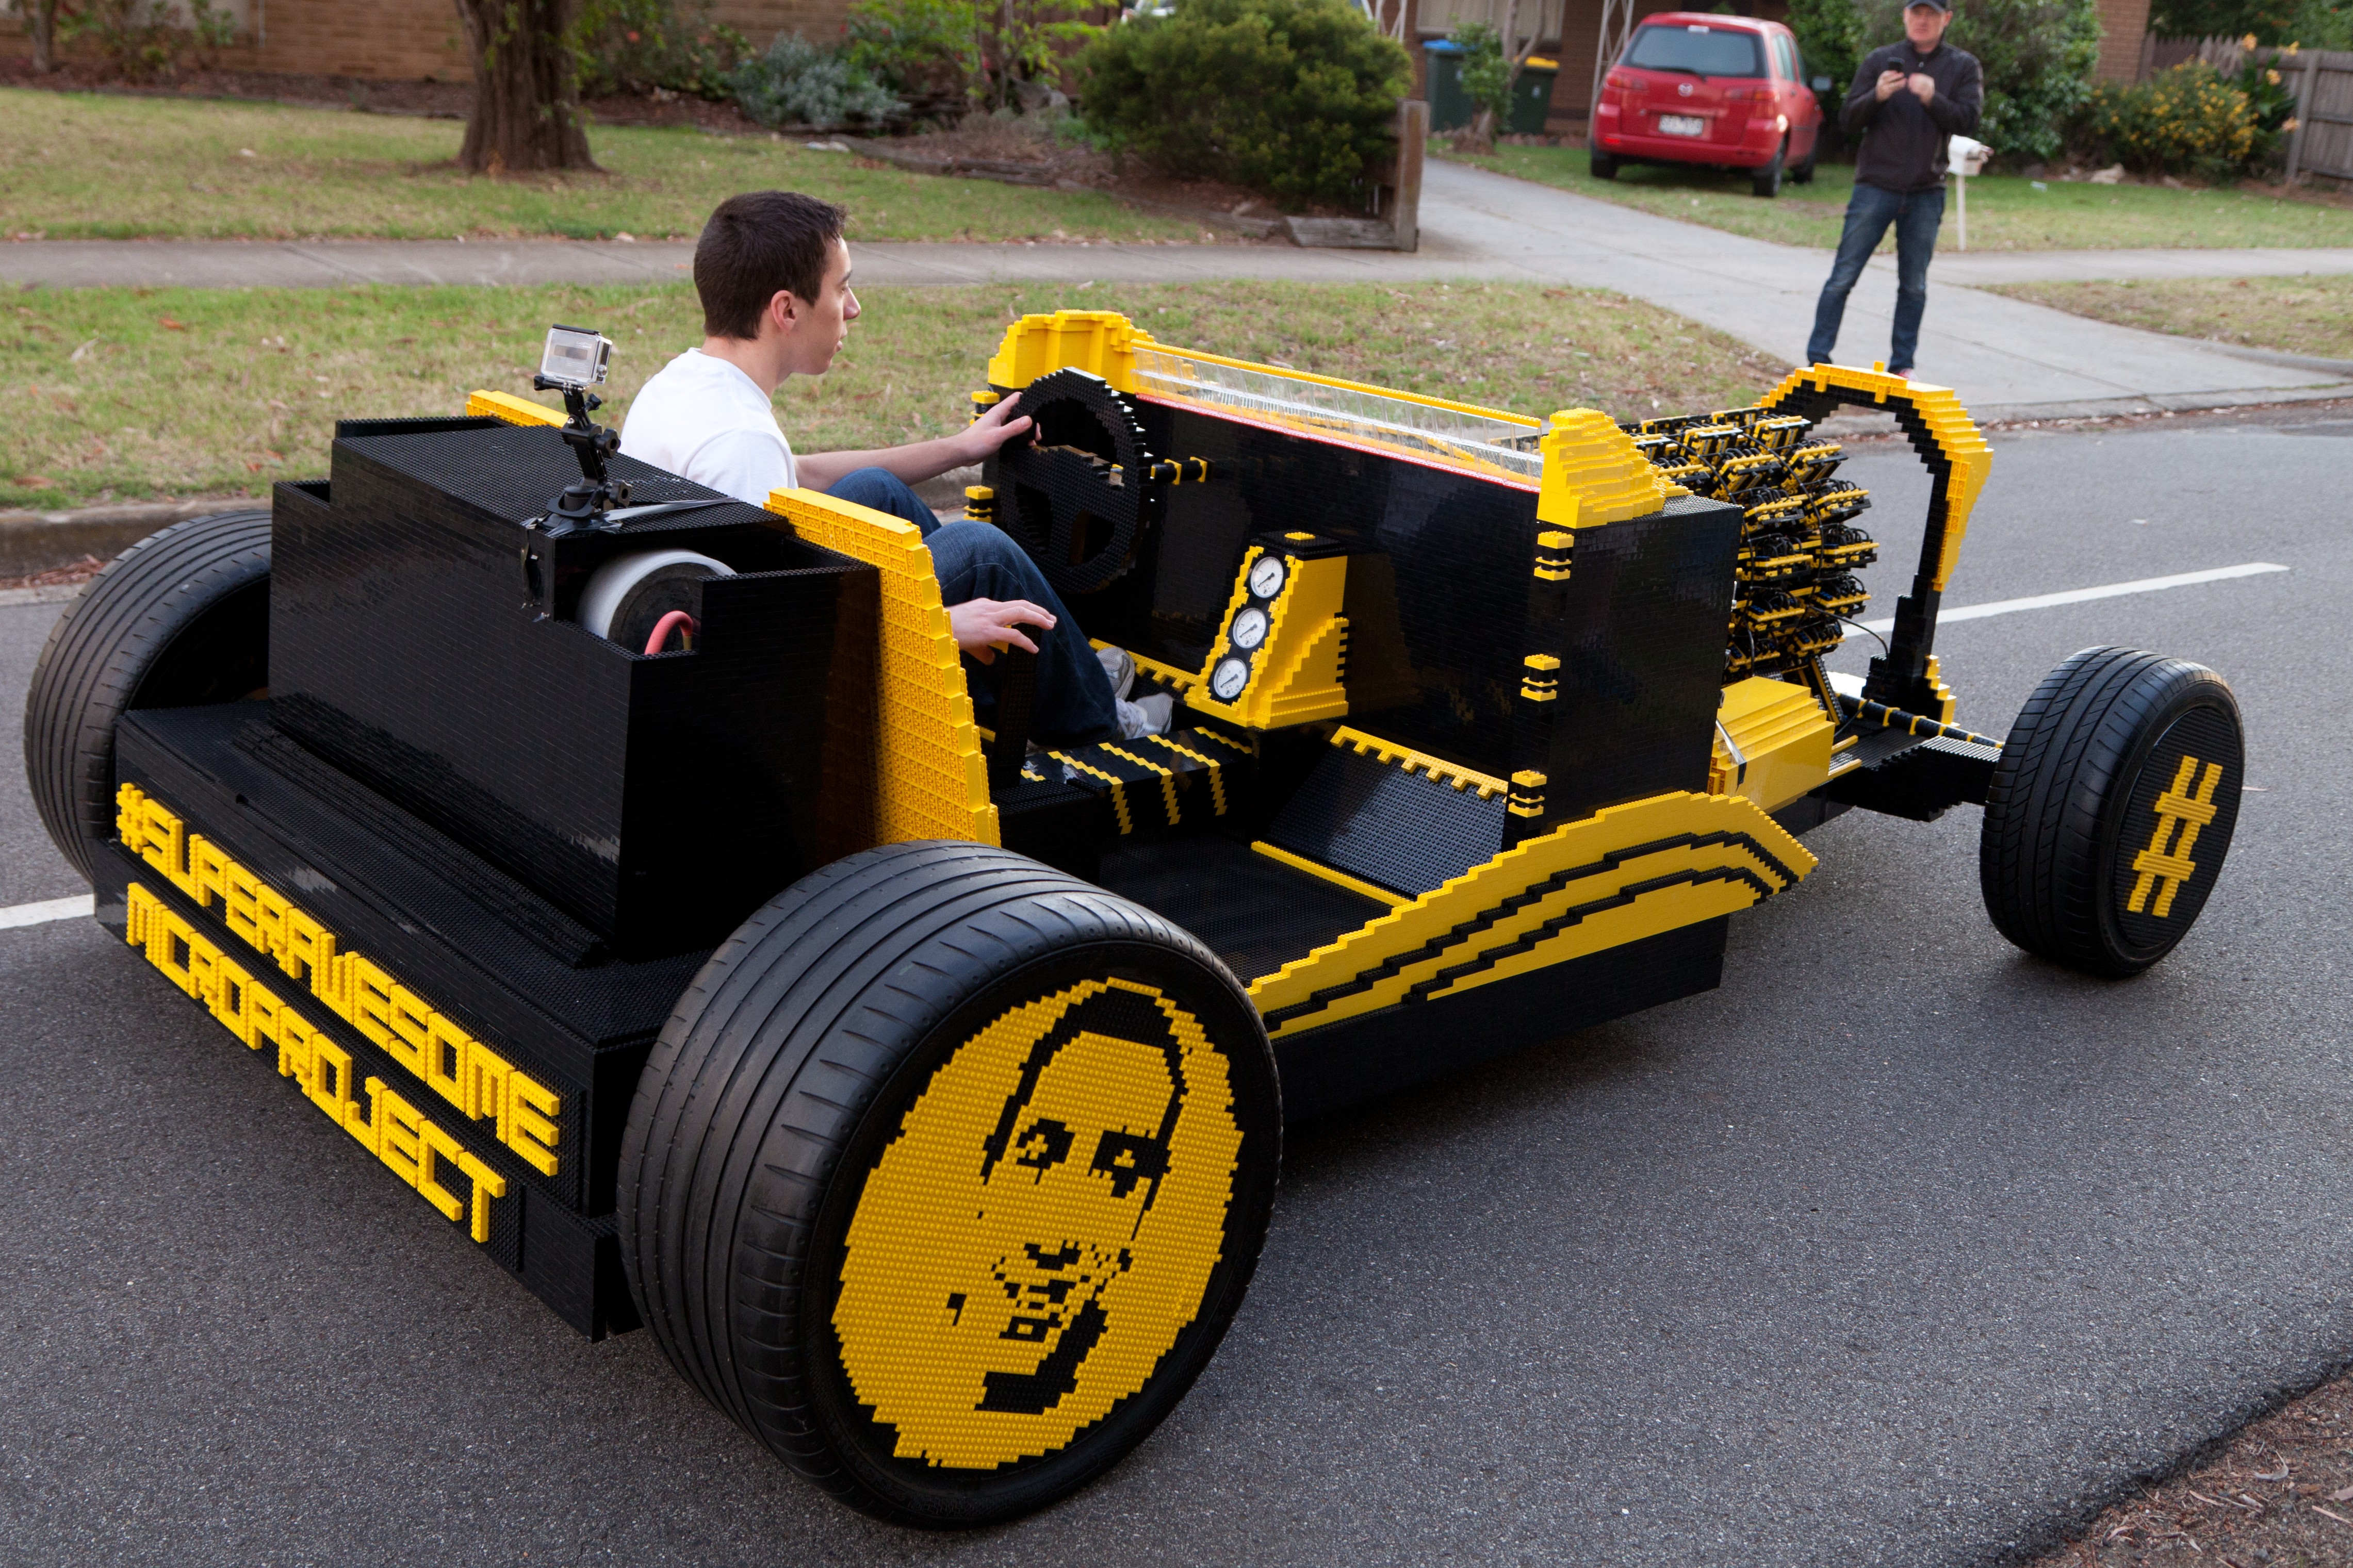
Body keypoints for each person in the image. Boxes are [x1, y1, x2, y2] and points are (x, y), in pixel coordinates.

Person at [618, 190, 1170, 745]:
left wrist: (960, 447)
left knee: (876, 490)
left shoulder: (682, 384)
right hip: (771, 681)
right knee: (985, 554)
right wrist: (938, 626)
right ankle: (1102, 723)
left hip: (742, 614)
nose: (853, 308)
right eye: (842, 288)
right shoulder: (741, 444)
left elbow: (800, 472)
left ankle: (1057, 678)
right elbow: (766, 644)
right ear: (786, 310)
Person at [1803, 0, 1982, 381]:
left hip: (1926, 191)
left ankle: (1903, 364)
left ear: (1946, 19)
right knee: (1843, 276)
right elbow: (1847, 120)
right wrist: (1877, 96)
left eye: (1931, 15)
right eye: (1916, 13)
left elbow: (1968, 120)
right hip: (1875, 187)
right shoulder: (1880, 60)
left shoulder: (1962, 66)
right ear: (1904, 16)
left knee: (1914, 285)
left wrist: (1933, 98)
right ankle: (1818, 358)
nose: (1922, 21)